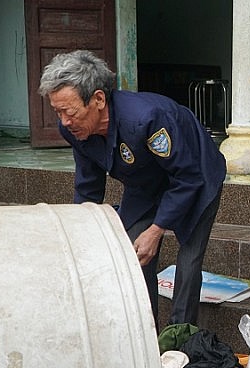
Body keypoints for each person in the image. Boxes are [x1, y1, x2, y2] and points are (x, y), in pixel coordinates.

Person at [38, 50, 225, 330]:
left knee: (188, 259)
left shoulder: (146, 119)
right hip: (144, 183)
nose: (64, 121)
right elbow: (88, 184)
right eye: (58, 111)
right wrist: (79, 230)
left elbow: (187, 177)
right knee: (135, 254)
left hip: (195, 173)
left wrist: (157, 229)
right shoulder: (74, 129)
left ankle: (180, 339)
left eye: (70, 111)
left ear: (98, 99)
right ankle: (145, 334)